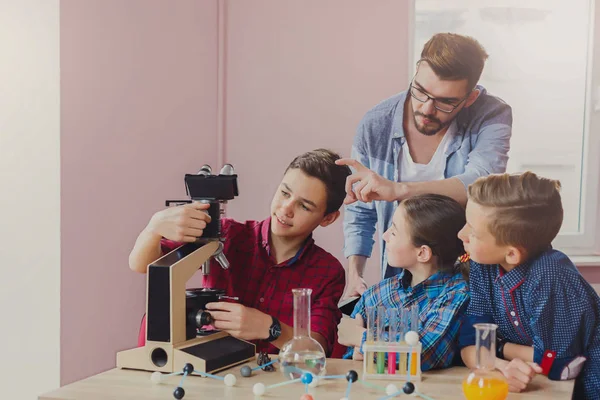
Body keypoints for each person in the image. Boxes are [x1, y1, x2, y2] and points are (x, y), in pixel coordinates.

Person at [129, 149, 351, 356]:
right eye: (284, 193)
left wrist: (269, 327)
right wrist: (154, 227)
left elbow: (316, 350)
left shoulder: (327, 272)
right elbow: (142, 265)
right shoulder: (228, 235)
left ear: (327, 218)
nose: (286, 209)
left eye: (304, 206)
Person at [339, 33, 512, 296]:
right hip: (403, 278)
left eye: (445, 101)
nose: (427, 109)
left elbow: (482, 183)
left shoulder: (490, 115)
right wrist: (355, 275)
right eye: (420, 91)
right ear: (416, 72)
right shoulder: (377, 124)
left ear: (470, 98)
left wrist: (399, 190)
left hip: (470, 275)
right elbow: (361, 211)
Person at [458, 172, 600, 398]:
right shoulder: (482, 265)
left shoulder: (550, 273)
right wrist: (502, 366)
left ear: (512, 253)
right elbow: (469, 342)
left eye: (472, 232)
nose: (460, 234)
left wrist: (499, 347)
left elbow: (562, 365)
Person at [337, 194, 469, 370]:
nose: (384, 236)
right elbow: (351, 355)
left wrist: (362, 338)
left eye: (393, 231)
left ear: (422, 253)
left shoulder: (457, 295)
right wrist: (362, 349)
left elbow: (423, 353)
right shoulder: (376, 295)